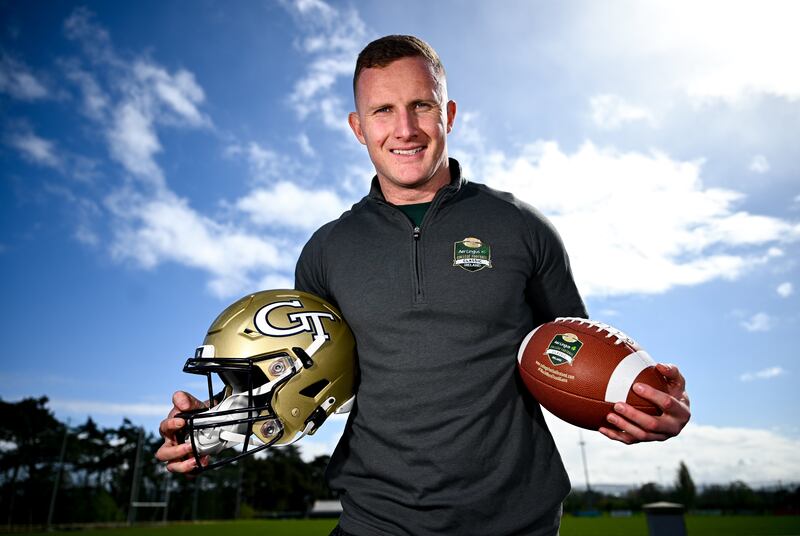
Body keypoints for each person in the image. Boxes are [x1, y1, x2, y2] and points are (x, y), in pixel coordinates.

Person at [157, 35, 690, 535]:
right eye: (382, 110)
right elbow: (309, 380)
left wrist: (642, 403)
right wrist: (219, 427)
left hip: (514, 519)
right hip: (377, 518)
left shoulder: (522, 227)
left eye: (422, 105)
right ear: (358, 127)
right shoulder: (326, 250)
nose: (405, 129)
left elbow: (570, 358)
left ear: (449, 114)